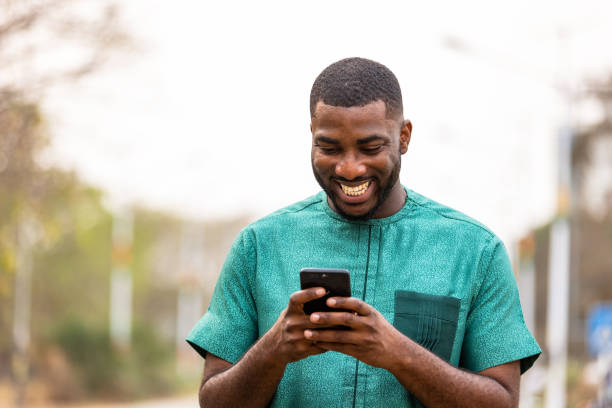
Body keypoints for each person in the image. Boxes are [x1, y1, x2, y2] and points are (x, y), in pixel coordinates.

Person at [186, 57, 541, 407]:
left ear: (403, 137)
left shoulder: (475, 251)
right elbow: (213, 400)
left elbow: (503, 400)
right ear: (311, 135)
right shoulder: (259, 247)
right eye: (329, 147)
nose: (349, 168)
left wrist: (398, 354)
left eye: (371, 148)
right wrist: (273, 349)